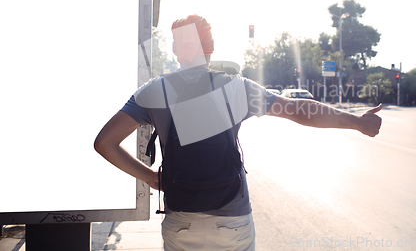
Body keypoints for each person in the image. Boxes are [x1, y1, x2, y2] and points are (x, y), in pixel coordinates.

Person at [94, 14, 382, 251]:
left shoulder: (154, 91)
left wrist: (151, 178)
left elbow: (105, 143)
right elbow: (298, 110)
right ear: (210, 48)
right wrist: (355, 121)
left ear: (177, 50)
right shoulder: (236, 87)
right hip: (232, 221)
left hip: (181, 221)